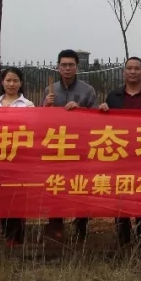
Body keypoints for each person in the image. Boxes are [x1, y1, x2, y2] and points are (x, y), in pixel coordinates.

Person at [99, 57, 141, 247]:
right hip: (120, 154)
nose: (133, 71)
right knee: (121, 195)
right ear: (124, 72)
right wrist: (101, 111)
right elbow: (103, 126)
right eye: (129, 68)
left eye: (137, 68)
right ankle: (123, 236)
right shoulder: (113, 97)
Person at [39, 49, 99, 243]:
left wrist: (80, 111)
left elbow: (97, 120)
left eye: (71, 65)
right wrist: (45, 105)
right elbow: (40, 120)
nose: (67, 68)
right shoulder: (50, 90)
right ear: (58, 67)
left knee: (80, 188)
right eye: (63, 65)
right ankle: (55, 229)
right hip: (56, 149)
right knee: (56, 187)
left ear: (77, 67)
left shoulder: (87, 90)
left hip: (80, 149)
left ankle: (81, 230)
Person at [0, 67, 34, 247]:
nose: (11, 84)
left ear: (21, 83)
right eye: (8, 80)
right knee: (0, 195)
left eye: (15, 81)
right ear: (2, 82)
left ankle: (15, 237)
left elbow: (33, 129)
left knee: (17, 195)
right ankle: (0, 233)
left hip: (19, 158)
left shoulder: (27, 105)